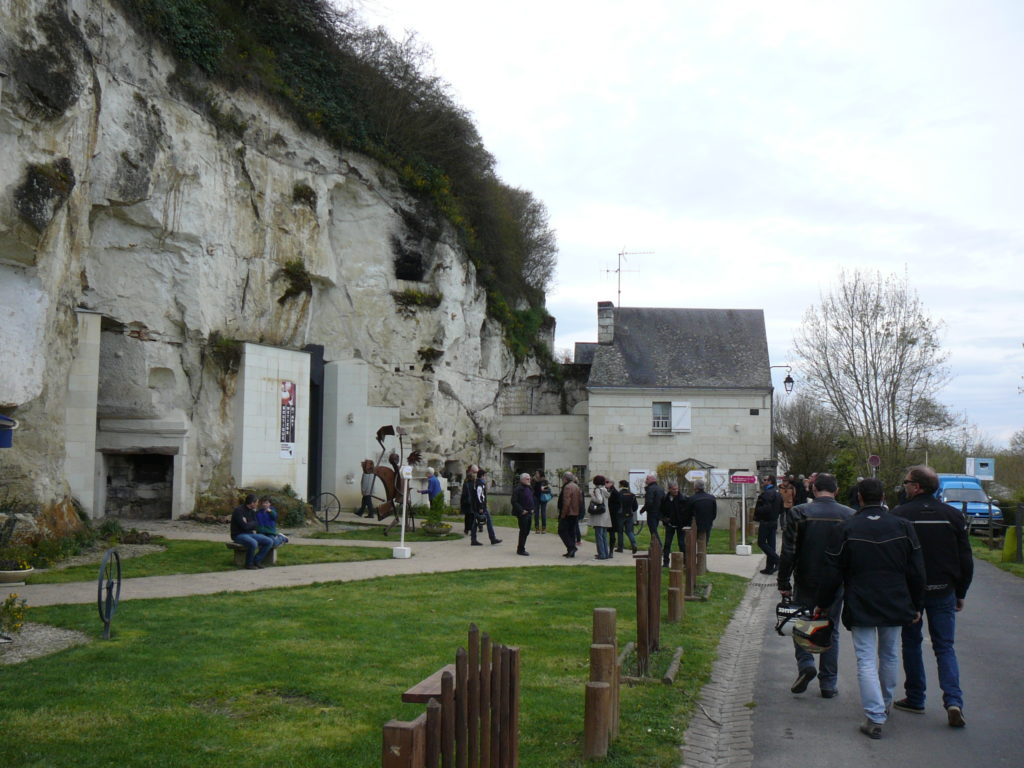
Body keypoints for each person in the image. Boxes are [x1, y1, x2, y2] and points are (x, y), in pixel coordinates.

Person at [815, 478, 926, 740]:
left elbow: (832, 572)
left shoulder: (846, 528)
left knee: (865, 658)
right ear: (884, 496)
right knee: (889, 654)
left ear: (860, 498)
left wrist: (823, 602)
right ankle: (884, 705)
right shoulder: (903, 526)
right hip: (896, 600)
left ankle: (875, 715)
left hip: (861, 600)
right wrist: (917, 604)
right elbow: (917, 570)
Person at [891, 465, 973, 727]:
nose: (904, 486)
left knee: (912, 644)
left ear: (917, 487)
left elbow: (895, 557)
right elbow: (965, 558)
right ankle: (953, 701)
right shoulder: (952, 516)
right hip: (943, 590)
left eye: (906, 482)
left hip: (911, 593)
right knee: (945, 647)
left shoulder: (901, 515)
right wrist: (960, 591)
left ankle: (916, 697)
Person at [777, 473, 853, 698]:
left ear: (813, 489)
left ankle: (806, 663)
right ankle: (828, 682)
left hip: (806, 577)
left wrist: (783, 581)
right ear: (836, 490)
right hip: (836, 580)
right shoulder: (849, 515)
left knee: (801, 623)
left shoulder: (799, 512)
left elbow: (788, 551)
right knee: (831, 628)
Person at [230, 494, 275, 570]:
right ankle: (249, 564)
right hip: (238, 535)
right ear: (252, 503)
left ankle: (256, 561)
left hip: (249, 534)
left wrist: (248, 523)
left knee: (269, 541)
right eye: (256, 503)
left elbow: (256, 524)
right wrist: (250, 524)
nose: (257, 504)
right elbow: (244, 526)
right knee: (253, 543)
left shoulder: (252, 511)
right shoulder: (239, 511)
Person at [754, 476, 783, 575]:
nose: (763, 481)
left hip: (766, 521)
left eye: (765, 480)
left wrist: (758, 510)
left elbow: (766, 508)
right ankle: (769, 568)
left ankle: (778, 561)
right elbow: (781, 509)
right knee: (771, 545)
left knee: (761, 542)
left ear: (770, 481)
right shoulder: (778, 493)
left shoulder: (767, 493)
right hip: (774, 521)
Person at [660, 482, 689, 567]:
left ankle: (685, 562)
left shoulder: (683, 499)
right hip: (669, 525)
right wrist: (664, 519)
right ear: (669, 489)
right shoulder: (665, 499)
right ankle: (665, 562)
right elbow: (660, 511)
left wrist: (686, 522)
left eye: (677, 489)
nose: (676, 490)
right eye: (674, 489)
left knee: (682, 544)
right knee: (667, 544)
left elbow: (688, 511)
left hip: (681, 525)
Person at [557, 472, 582, 558]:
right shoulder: (576, 486)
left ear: (565, 479)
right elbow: (580, 500)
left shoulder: (567, 487)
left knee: (561, 530)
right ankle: (571, 551)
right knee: (571, 532)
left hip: (568, 513)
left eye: (563, 479)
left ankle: (571, 547)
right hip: (575, 512)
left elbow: (566, 502)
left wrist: (563, 514)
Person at [510, 472, 535, 555]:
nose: (529, 480)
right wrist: (521, 511)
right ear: (522, 480)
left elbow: (531, 498)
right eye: (527, 479)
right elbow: (514, 501)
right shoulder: (518, 489)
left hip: (529, 513)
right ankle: (520, 549)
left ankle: (521, 547)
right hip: (523, 514)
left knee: (527, 531)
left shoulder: (529, 488)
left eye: (529, 478)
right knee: (523, 531)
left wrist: (532, 509)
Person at [475, 469, 502, 545]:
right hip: (481, 507)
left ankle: (492, 538)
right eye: (485, 475)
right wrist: (481, 507)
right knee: (479, 522)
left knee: (486, 521)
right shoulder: (480, 484)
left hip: (482, 506)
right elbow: (479, 496)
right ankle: (492, 539)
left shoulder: (481, 483)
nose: (486, 477)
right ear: (482, 476)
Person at [588, 475, 612, 559]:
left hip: (599, 516)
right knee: (604, 536)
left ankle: (601, 554)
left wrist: (592, 496)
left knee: (599, 536)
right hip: (605, 516)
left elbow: (599, 500)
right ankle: (605, 553)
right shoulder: (604, 489)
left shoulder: (597, 490)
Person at [689, 479, 718, 548]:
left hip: (695, 525)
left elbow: (688, 513)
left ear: (695, 487)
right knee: (704, 545)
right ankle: (702, 558)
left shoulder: (692, 499)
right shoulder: (712, 498)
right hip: (708, 524)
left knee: (692, 545)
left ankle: (693, 557)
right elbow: (714, 513)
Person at [641, 474, 665, 550]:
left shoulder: (650, 489)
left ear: (652, 480)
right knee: (654, 529)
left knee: (653, 531)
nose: (646, 481)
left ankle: (658, 547)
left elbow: (649, 502)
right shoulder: (660, 489)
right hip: (659, 513)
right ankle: (654, 547)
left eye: (647, 479)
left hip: (652, 513)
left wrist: (643, 509)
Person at [460, 466, 482, 546]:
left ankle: (467, 529)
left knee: (468, 516)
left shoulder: (466, 483)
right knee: (472, 516)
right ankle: (473, 529)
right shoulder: (473, 484)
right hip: (471, 502)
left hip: (467, 502)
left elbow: (464, 494)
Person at [617, 480, 638, 553]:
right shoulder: (632, 495)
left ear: (621, 485)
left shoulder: (619, 494)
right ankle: (634, 544)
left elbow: (616, 506)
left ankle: (620, 548)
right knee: (629, 531)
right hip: (629, 515)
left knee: (620, 532)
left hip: (620, 515)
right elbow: (635, 507)